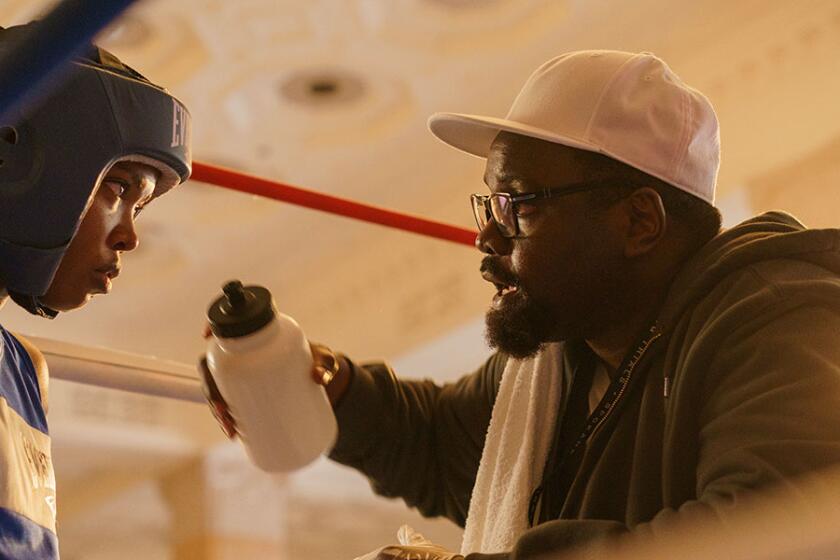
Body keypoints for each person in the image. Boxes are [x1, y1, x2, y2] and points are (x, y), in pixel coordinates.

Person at [204, 50, 840, 560]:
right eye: (491, 204)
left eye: (521, 204)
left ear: (638, 221)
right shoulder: (559, 363)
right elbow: (435, 444)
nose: (486, 236)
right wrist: (316, 380)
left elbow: (767, 531)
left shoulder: (775, 317)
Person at [0, 22, 191, 557]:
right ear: (17, 159)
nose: (130, 235)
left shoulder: (25, 370)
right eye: (118, 188)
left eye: (140, 207)